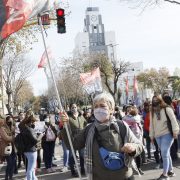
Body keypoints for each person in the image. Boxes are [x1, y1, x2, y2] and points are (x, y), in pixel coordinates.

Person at [61, 92, 143, 180]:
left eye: (102, 106)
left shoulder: (121, 126)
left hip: (124, 177)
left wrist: (133, 148)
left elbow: (139, 146)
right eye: (95, 106)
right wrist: (65, 126)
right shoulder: (89, 130)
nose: (98, 109)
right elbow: (72, 145)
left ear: (111, 109)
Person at [150, 95, 179, 180]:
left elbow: (174, 120)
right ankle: (171, 171)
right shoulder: (152, 111)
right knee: (166, 153)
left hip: (167, 134)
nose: (155, 101)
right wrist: (151, 135)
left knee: (164, 153)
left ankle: (165, 174)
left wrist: (175, 131)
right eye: (153, 100)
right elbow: (152, 125)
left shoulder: (167, 109)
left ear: (160, 100)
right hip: (157, 136)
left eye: (156, 100)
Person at [61, 103, 87, 177]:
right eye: (72, 107)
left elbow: (85, 124)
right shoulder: (68, 117)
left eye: (75, 107)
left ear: (77, 107)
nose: (74, 108)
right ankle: (73, 171)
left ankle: (83, 170)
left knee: (82, 156)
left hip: (81, 139)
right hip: (72, 139)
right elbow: (63, 125)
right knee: (72, 156)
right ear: (70, 108)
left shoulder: (81, 116)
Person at [19, 110, 44, 180]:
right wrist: (41, 135)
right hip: (31, 150)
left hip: (27, 150)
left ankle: (33, 178)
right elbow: (35, 140)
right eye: (33, 121)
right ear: (31, 122)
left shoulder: (23, 128)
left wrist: (27, 118)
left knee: (32, 168)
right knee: (30, 168)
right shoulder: (29, 129)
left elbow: (20, 125)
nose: (34, 123)